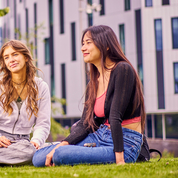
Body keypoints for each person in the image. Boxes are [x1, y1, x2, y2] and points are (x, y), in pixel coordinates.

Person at [32, 25, 145, 167]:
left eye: (88, 43)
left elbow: (115, 116)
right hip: (100, 136)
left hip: (125, 142)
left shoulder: (122, 69)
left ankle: (73, 153)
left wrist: (120, 161)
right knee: (38, 157)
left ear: (106, 45)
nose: (83, 48)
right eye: (83, 43)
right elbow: (85, 123)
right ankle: (63, 149)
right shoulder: (94, 81)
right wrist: (61, 145)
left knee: (61, 155)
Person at [0, 40, 51, 166]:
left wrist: (36, 141)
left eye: (15, 54)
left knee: (30, 152)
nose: (11, 59)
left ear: (26, 57)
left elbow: (43, 124)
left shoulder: (41, 87)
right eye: (6, 57)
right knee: (34, 155)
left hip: (25, 143)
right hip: (0, 142)